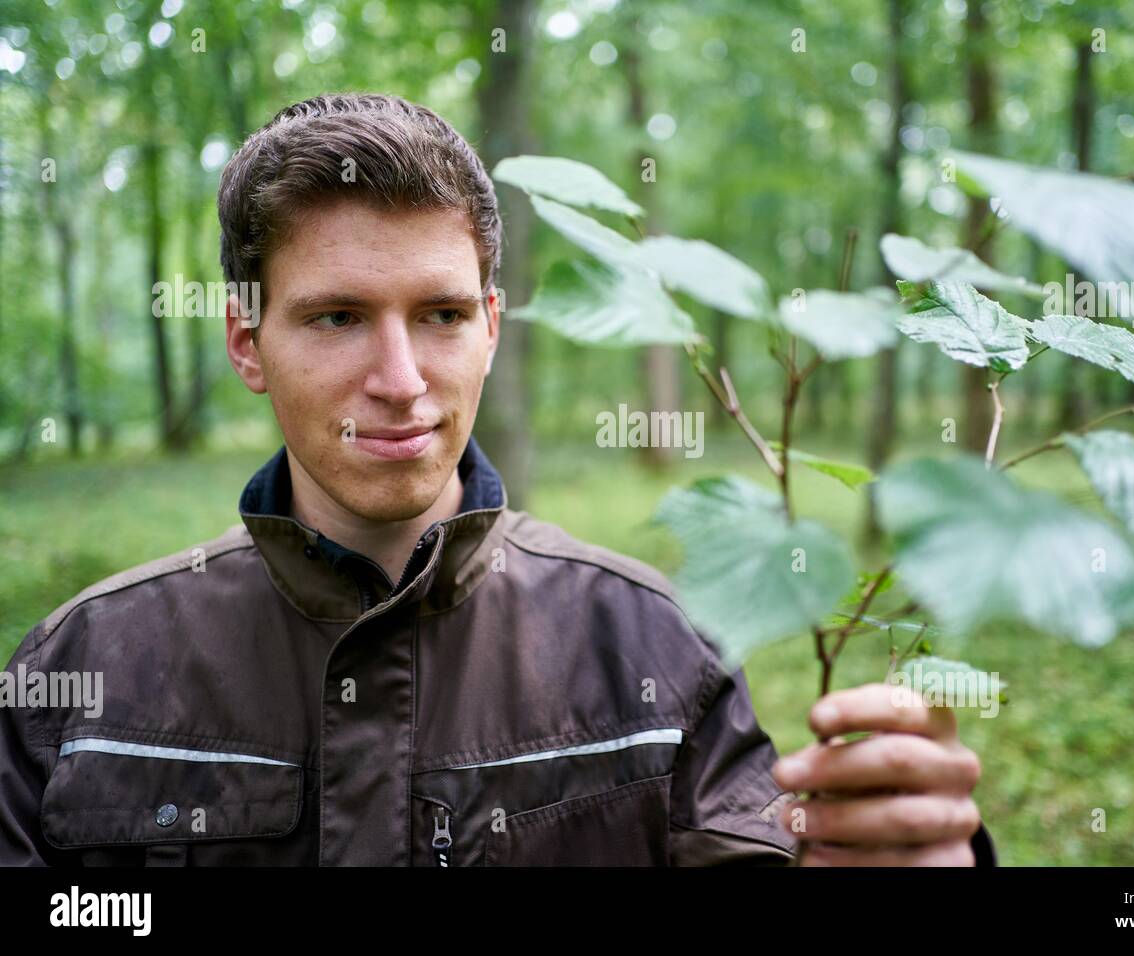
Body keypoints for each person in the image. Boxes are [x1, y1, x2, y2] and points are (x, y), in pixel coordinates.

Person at [0, 93, 994, 866]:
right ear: (246, 340)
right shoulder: (78, 677)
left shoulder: (653, 651)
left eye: (438, 315)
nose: (399, 381)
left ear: (489, 327)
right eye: (337, 316)